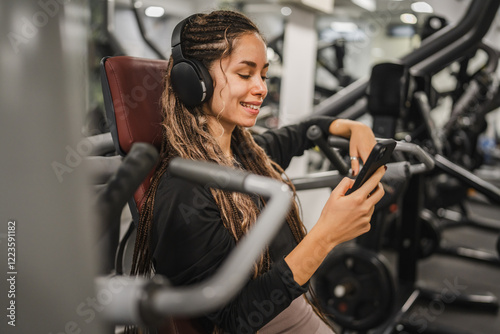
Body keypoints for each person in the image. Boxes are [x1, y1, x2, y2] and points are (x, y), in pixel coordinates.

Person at [129, 9, 386, 334]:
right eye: (245, 74)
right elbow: (236, 320)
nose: (261, 88)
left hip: (296, 310)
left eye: (263, 74)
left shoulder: (245, 154)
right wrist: (327, 236)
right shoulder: (184, 191)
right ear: (194, 82)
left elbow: (301, 133)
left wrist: (351, 128)